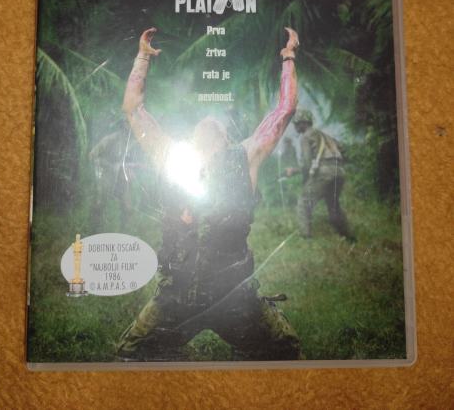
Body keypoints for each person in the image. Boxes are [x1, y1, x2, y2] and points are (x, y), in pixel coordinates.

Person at [117, 26, 301, 361]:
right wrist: (142, 57)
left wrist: (289, 58)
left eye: (215, 124)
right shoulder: (174, 155)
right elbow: (133, 110)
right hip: (179, 296)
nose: (208, 121)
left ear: (226, 139)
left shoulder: (244, 156)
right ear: (191, 138)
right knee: (131, 353)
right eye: (203, 123)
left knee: (284, 348)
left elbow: (284, 111)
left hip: (233, 297)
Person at [287, 110, 354, 240]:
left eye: (296, 124)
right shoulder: (325, 136)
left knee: (303, 203)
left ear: (303, 123)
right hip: (339, 172)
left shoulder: (306, 136)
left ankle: (306, 239)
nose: (295, 127)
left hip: (324, 173)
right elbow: (344, 151)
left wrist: (295, 172)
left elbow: (307, 164)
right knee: (333, 205)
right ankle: (349, 237)